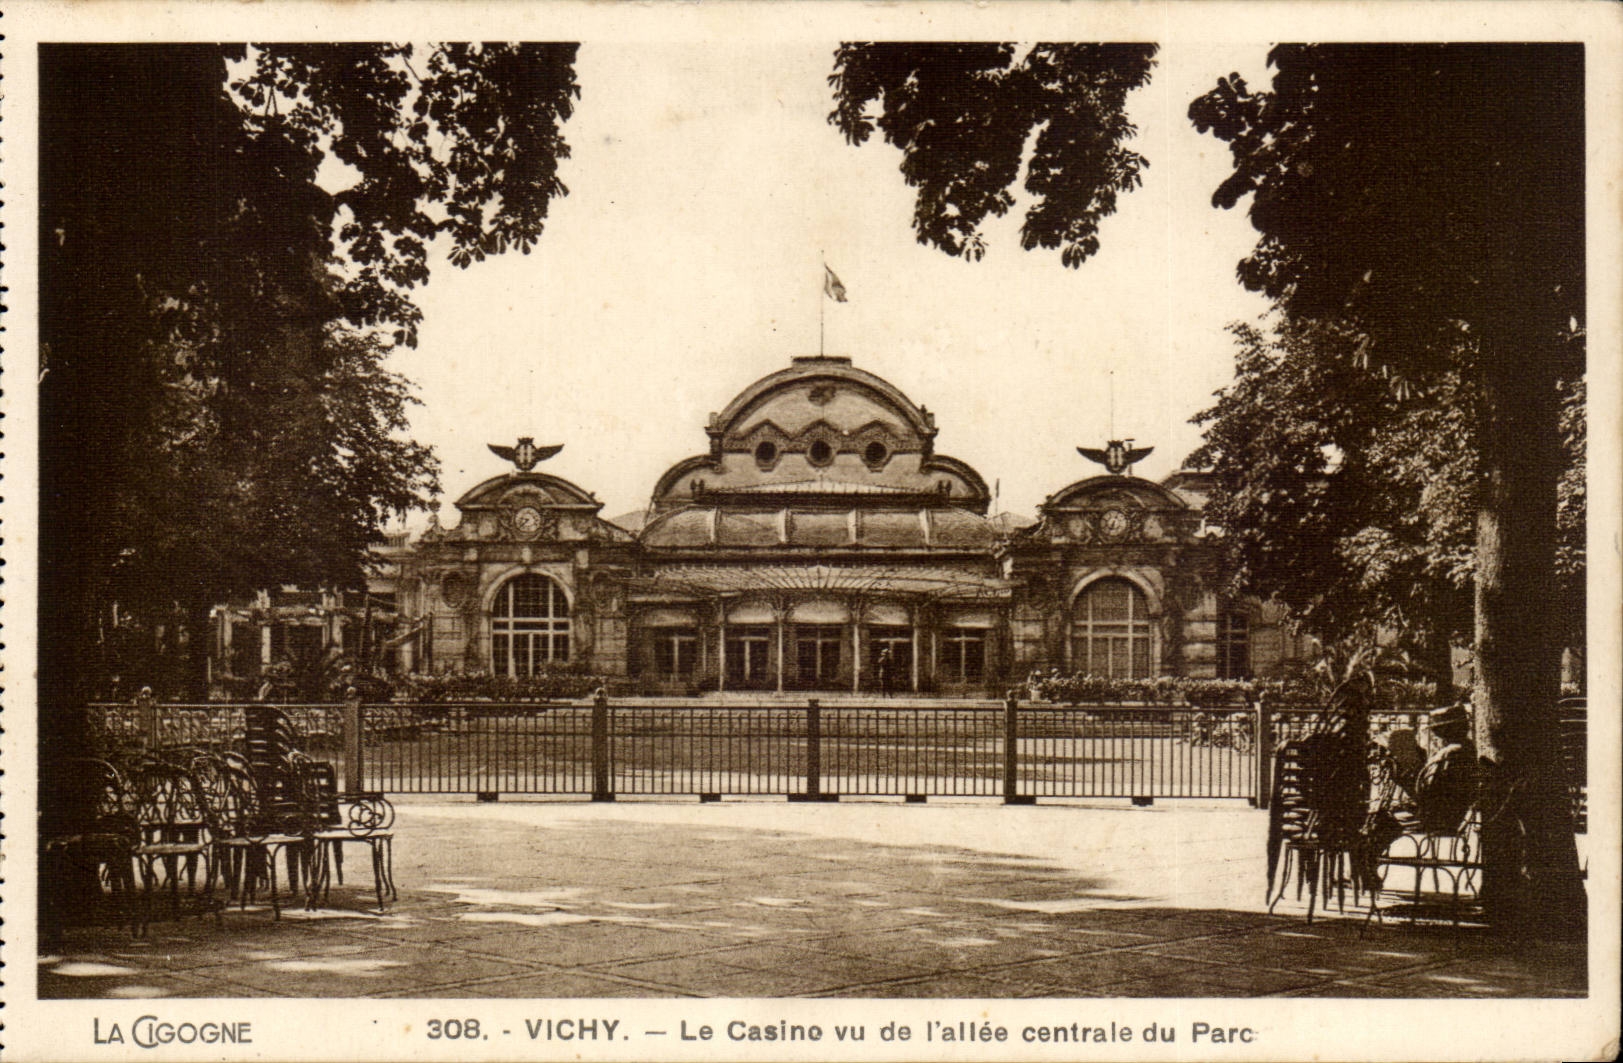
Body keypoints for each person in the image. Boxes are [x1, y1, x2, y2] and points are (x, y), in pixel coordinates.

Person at [1413, 702, 1478, 834]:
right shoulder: (1467, 747)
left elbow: (1431, 787)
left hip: (1443, 816)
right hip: (1456, 812)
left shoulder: (1451, 752)